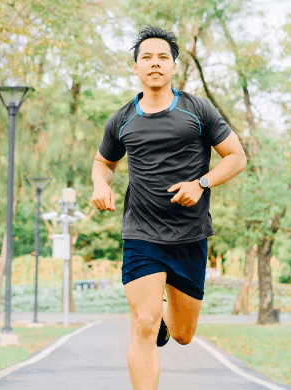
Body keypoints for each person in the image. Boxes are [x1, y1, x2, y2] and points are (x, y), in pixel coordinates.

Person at [90, 26, 247, 390]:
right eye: (146, 57)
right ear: (135, 68)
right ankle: (151, 318)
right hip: (141, 234)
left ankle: (165, 316)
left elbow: (236, 157)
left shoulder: (197, 111)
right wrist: (100, 183)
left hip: (189, 235)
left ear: (174, 66)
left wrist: (202, 183)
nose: (155, 63)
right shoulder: (122, 119)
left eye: (162, 57)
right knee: (142, 325)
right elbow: (103, 163)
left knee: (183, 335)